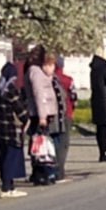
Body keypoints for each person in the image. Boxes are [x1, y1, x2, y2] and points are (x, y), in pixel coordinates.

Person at [23, 46, 67, 185]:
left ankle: (42, 172)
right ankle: (42, 173)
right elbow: (39, 95)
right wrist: (42, 116)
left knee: (41, 144)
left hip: (43, 113)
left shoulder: (37, 71)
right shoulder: (35, 72)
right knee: (41, 145)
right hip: (40, 114)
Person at [0, 62, 29, 197]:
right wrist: (26, 118)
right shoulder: (10, 90)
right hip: (12, 130)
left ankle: (8, 185)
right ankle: (7, 188)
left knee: (3, 158)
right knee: (11, 159)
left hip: (0, 129)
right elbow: (20, 110)